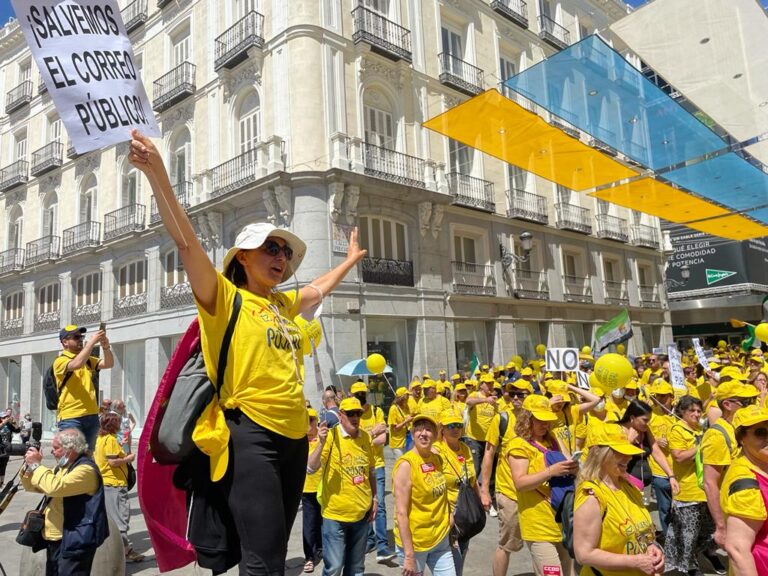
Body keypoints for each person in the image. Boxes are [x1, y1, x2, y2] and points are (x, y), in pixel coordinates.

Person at [130, 130, 367, 575]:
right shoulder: (223, 298)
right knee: (263, 556)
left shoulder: (281, 303)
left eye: (285, 251)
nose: (281, 257)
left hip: (296, 436)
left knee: (274, 547)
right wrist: (157, 174)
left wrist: (350, 260)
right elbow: (186, 243)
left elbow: (316, 291)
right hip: (248, 434)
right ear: (241, 256)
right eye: (270, 247)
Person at [573, 423, 665, 576]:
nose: (628, 457)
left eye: (628, 451)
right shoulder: (592, 497)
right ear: (600, 454)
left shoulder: (630, 487)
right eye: (619, 452)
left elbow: (638, 534)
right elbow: (584, 554)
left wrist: (650, 547)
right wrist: (635, 561)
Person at [21, 428, 108, 576]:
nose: (52, 452)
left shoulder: (86, 470)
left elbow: (55, 487)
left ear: (71, 449)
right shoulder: (63, 467)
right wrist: (29, 467)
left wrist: (37, 465)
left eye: (56, 448)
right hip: (56, 537)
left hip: (76, 538)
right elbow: (36, 486)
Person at [508, 395, 577, 576]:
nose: (545, 425)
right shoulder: (518, 445)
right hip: (538, 524)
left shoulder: (552, 438)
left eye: (547, 420)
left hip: (562, 521)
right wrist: (550, 472)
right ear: (527, 419)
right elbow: (520, 483)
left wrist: (575, 466)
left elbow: (568, 459)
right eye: (540, 420)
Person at [307, 397, 377, 576]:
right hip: (335, 516)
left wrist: (375, 498)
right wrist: (321, 443)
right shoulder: (331, 436)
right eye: (350, 414)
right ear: (340, 415)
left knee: (356, 569)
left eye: (358, 414)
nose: (355, 417)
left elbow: (370, 471)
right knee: (334, 567)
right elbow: (310, 467)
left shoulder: (365, 437)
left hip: (361, 515)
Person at [393, 414, 454, 576]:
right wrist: (409, 555)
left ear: (435, 435)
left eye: (428, 429)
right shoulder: (406, 465)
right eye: (418, 429)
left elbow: (442, 492)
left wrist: (449, 514)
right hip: (415, 544)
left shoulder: (437, 459)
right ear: (412, 434)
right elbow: (401, 512)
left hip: (440, 540)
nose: (423, 433)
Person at [665, 395, 720, 576]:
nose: (696, 414)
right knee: (687, 537)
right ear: (682, 412)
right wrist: (702, 445)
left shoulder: (699, 429)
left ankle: (697, 557)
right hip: (688, 492)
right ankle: (689, 568)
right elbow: (679, 456)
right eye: (692, 411)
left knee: (709, 533)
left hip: (704, 490)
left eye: (698, 410)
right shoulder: (677, 430)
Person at [701, 382, 757, 556]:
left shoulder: (741, 428)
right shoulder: (717, 436)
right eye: (747, 401)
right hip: (735, 514)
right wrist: (721, 526)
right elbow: (710, 483)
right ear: (727, 404)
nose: (753, 404)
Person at [480, 381, 528, 576]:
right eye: (512, 394)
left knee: (540, 543)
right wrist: (484, 490)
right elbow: (489, 454)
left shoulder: (538, 420)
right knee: (507, 543)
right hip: (509, 492)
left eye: (520, 394)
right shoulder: (502, 419)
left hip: (536, 492)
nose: (515, 398)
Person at [350, 382, 395, 562]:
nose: (360, 396)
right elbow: (353, 439)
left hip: (377, 465)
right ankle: (369, 539)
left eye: (362, 393)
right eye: (357, 393)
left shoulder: (376, 411)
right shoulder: (351, 414)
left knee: (380, 505)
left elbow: (383, 438)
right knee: (364, 504)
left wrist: (364, 437)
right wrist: (372, 435)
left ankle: (382, 545)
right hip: (358, 465)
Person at [721, 405, 768, 575]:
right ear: (742, 438)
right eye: (760, 432)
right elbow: (737, 550)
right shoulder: (745, 482)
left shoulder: (760, 462)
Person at [93, 411, 144, 563]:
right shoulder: (110, 439)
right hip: (114, 484)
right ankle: (122, 553)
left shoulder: (101, 438)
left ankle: (124, 550)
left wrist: (120, 447)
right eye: (118, 422)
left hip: (106, 483)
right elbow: (112, 462)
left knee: (114, 518)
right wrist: (128, 458)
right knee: (120, 518)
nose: (121, 425)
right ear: (113, 425)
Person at [434, 412, 480, 576]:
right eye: (451, 426)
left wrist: (480, 503)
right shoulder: (437, 451)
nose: (456, 429)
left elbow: (472, 481)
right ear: (442, 429)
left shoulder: (466, 449)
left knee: (462, 552)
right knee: (453, 563)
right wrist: (447, 513)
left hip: (465, 513)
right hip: (448, 515)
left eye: (458, 425)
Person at [54, 324, 114, 451]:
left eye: (81, 337)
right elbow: (77, 364)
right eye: (76, 337)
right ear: (65, 342)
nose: (80, 339)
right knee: (72, 455)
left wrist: (106, 347)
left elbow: (109, 363)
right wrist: (91, 342)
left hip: (91, 415)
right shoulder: (60, 361)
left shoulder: (87, 360)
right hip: (71, 417)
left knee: (90, 455)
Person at [615, 400, 678, 492]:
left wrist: (671, 476)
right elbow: (613, 458)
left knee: (644, 506)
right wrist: (629, 442)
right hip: (624, 485)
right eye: (645, 420)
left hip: (644, 486)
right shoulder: (617, 430)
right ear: (632, 418)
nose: (648, 423)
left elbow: (656, 451)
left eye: (649, 420)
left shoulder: (645, 430)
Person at [646, 380, 676, 535]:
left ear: (671, 397)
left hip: (680, 470)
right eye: (658, 395)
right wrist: (655, 441)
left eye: (664, 396)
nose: (660, 399)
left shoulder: (680, 414)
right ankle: (668, 536)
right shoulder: (650, 414)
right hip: (659, 470)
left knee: (680, 509)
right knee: (664, 507)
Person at [302, 408, 323, 573]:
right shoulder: (299, 440)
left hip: (324, 488)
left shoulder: (323, 439)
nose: (308, 423)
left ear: (316, 421)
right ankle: (309, 556)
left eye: (311, 419)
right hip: (307, 489)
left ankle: (321, 548)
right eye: (306, 419)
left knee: (323, 522)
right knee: (309, 524)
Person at [388, 387, 413, 459]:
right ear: (402, 397)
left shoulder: (406, 407)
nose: (408, 398)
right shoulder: (393, 409)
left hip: (406, 440)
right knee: (401, 463)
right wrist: (406, 421)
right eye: (407, 396)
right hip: (397, 443)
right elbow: (395, 429)